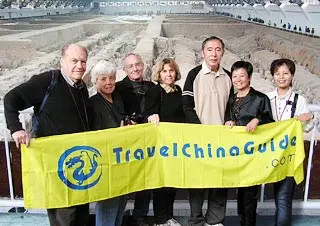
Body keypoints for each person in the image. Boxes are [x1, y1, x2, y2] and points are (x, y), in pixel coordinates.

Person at [4, 44, 91, 226]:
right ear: (62, 61)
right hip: (56, 166)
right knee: (63, 217)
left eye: (83, 61)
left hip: (79, 164)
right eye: (74, 61)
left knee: (82, 213)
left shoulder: (81, 87)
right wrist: (16, 128)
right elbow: (11, 98)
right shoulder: (48, 81)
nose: (80, 66)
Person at [182, 36, 233, 226]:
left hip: (222, 140)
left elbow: (231, 106)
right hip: (199, 139)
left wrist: (229, 121)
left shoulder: (228, 76)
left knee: (219, 181)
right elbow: (187, 105)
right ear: (202, 53)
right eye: (210, 49)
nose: (214, 53)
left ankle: (215, 220)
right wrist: (198, 129)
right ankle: (195, 220)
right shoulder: (193, 74)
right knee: (197, 182)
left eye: (218, 49)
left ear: (223, 53)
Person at [224, 61, 274, 226]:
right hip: (234, 150)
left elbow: (270, 121)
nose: (238, 79)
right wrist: (228, 122)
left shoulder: (260, 98)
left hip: (253, 152)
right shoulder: (231, 99)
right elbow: (227, 117)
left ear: (250, 77)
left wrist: (257, 119)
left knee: (249, 192)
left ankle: (248, 223)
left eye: (242, 75)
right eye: (235, 76)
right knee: (239, 190)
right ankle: (242, 219)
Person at [266, 58, 313, 226]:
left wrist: (309, 118)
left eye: (285, 73)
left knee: (283, 196)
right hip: (268, 154)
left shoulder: (299, 101)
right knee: (255, 191)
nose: (281, 77)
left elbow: (307, 128)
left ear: (292, 76)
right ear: (272, 76)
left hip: (289, 155)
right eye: (277, 73)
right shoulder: (267, 98)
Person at [115, 53, 156, 226]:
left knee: (146, 179)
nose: (135, 69)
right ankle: (118, 214)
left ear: (143, 65)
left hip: (146, 140)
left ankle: (140, 215)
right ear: (125, 69)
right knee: (123, 178)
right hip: (126, 141)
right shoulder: (117, 88)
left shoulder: (152, 86)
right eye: (130, 66)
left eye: (138, 64)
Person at [145, 58, 185, 226]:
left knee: (172, 182)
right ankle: (160, 220)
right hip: (161, 145)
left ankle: (169, 216)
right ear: (159, 74)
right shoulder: (154, 91)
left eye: (171, 71)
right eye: (165, 71)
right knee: (161, 183)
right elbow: (147, 113)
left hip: (175, 145)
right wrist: (151, 116)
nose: (168, 74)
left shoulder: (178, 90)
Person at [89, 60, 127, 226]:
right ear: (95, 81)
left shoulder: (118, 99)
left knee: (120, 204)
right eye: (103, 79)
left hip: (121, 158)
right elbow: (94, 134)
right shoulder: (93, 104)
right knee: (108, 205)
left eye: (111, 78)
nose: (109, 82)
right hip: (105, 160)